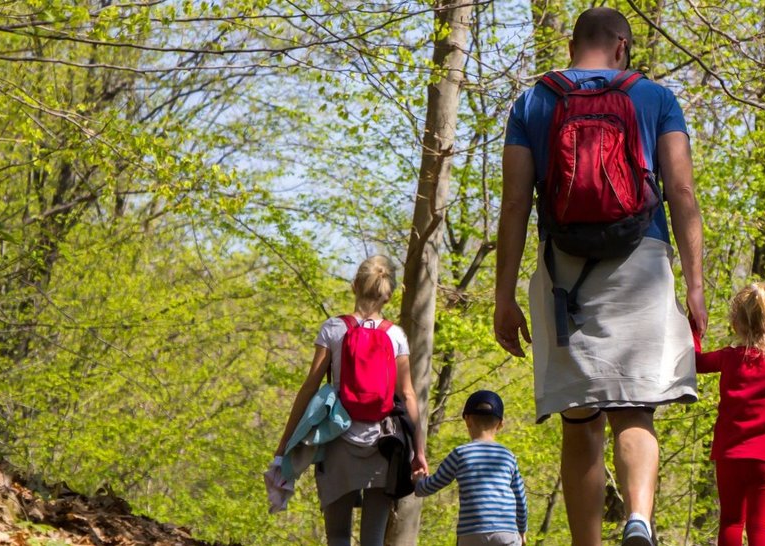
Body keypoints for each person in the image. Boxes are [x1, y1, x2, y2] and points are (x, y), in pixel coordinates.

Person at [493, 6, 706, 546]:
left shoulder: (533, 100)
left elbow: (516, 202)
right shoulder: (655, 97)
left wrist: (504, 297)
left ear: (571, 45)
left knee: (580, 419)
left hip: (566, 272)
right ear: (621, 46)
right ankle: (638, 518)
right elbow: (681, 193)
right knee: (634, 408)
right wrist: (695, 287)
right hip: (642, 262)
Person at [270, 256, 427, 546]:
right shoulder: (395, 335)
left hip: (337, 440)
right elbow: (407, 395)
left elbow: (309, 388)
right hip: (383, 443)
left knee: (338, 535)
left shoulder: (333, 329)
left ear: (354, 286)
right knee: (373, 539)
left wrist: (284, 446)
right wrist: (419, 451)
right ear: (388, 294)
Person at [695, 283, 765, 546]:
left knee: (731, 522)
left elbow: (695, 362)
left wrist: (694, 327)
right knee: (761, 528)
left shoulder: (728, 358)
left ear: (736, 324)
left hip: (730, 454)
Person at [413, 390, 529, 546]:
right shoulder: (507, 456)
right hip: (505, 532)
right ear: (501, 424)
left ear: (467, 420)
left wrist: (419, 481)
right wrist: (522, 530)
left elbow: (431, 485)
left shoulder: (460, 454)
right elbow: (520, 498)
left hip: (471, 533)